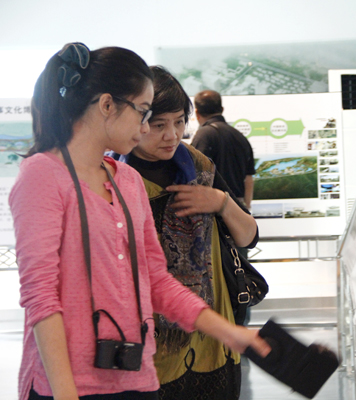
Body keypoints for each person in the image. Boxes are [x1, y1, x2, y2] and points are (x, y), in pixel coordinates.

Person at [9, 43, 269, 400]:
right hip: (66, 385)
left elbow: (155, 281)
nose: (148, 127)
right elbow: (41, 296)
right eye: (145, 113)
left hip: (136, 376)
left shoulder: (127, 181)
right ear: (107, 105)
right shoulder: (42, 175)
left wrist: (229, 332)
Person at [111, 66, 257, 399]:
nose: (172, 135)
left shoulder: (200, 167)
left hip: (211, 337)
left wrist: (221, 202)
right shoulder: (112, 178)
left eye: (179, 122)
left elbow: (248, 236)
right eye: (158, 125)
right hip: (146, 341)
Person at [191, 90, 255, 211]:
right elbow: (248, 180)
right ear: (222, 109)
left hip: (212, 206)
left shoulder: (203, 135)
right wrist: (246, 209)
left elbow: (195, 174)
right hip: (238, 207)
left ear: (197, 112)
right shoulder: (240, 137)